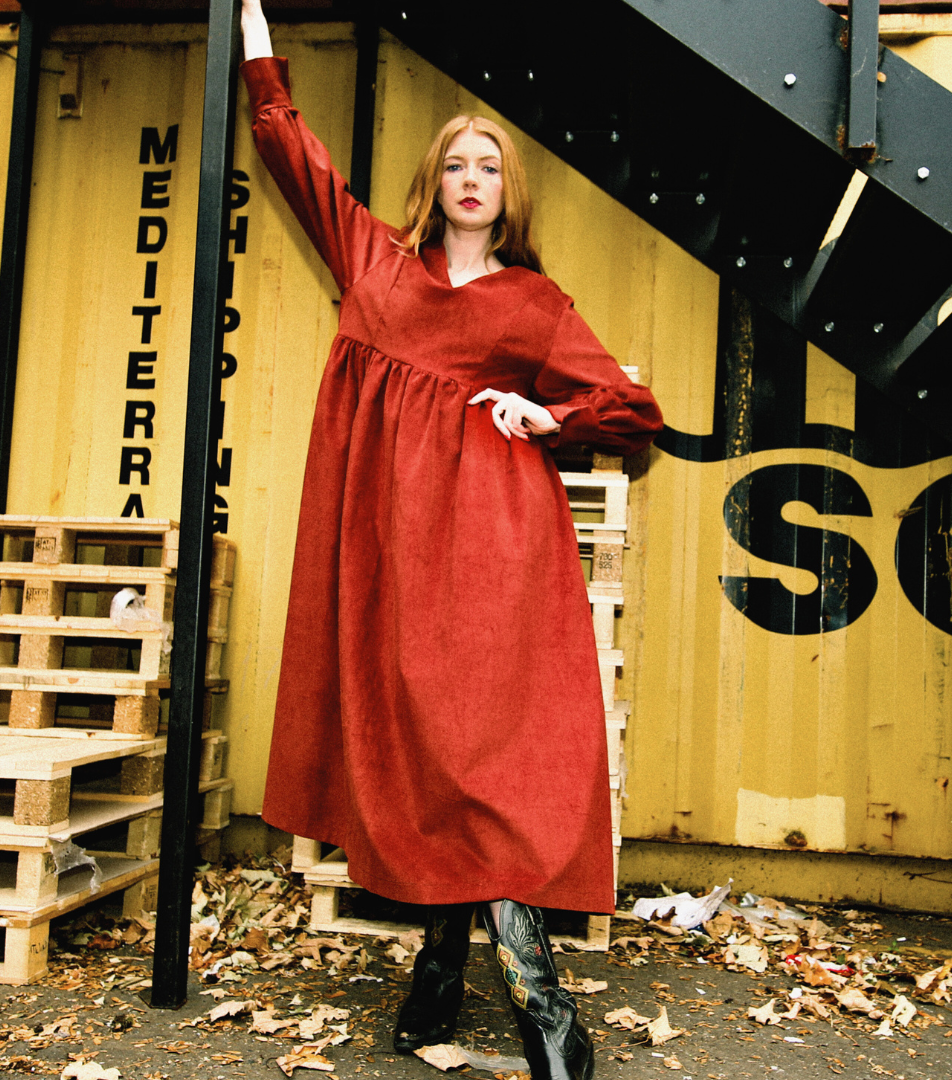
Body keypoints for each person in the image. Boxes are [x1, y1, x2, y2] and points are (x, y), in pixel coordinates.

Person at [235, 4, 664, 1079]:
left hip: (496, 557)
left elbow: (631, 411)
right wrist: (252, 29)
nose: (473, 178)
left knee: (491, 764)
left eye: (490, 165)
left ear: (508, 192)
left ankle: (542, 1010)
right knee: (427, 756)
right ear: (437, 182)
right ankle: (434, 982)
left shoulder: (532, 305)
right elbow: (288, 145)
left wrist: (551, 418)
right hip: (390, 559)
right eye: (457, 163)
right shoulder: (375, 266)